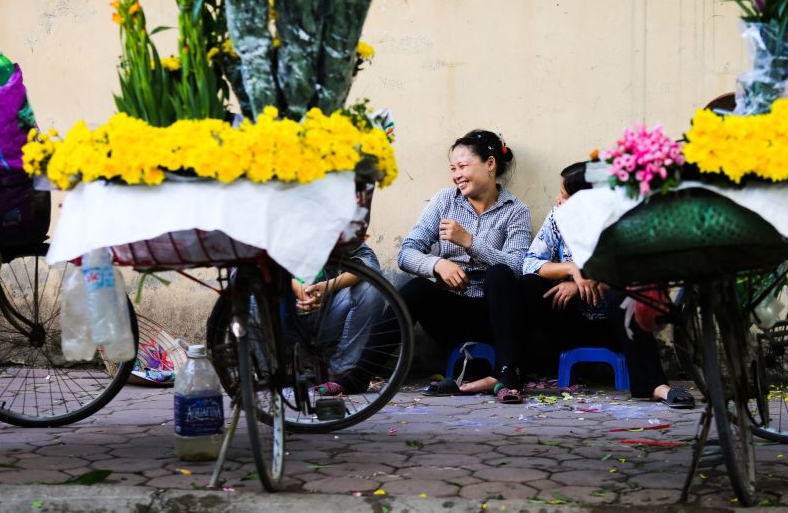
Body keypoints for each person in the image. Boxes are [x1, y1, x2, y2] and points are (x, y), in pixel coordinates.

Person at [520, 162, 694, 407]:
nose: (558, 200)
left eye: (565, 195)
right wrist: (573, 273)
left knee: (628, 292)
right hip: (573, 323)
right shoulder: (557, 218)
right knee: (530, 285)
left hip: (617, 327)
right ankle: (539, 366)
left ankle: (655, 385)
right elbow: (530, 262)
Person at [397, 129, 531, 403]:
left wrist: (470, 242)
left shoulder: (516, 211)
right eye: (453, 168)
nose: (456, 174)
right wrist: (437, 265)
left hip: (496, 319)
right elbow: (406, 253)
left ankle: (509, 376)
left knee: (500, 274)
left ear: (490, 164)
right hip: (452, 315)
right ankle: (361, 372)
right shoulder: (445, 201)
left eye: (463, 166)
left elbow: (518, 266)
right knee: (416, 289)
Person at [287, 242, 385, 396]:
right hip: (281, 326)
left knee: (371, 288)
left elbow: (368, 262)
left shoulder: (328, 225)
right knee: (252, 292)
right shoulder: (267, 226)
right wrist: (295, 286)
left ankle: (342, 373)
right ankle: (265, 373)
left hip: (324, 319)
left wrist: (327, 286)